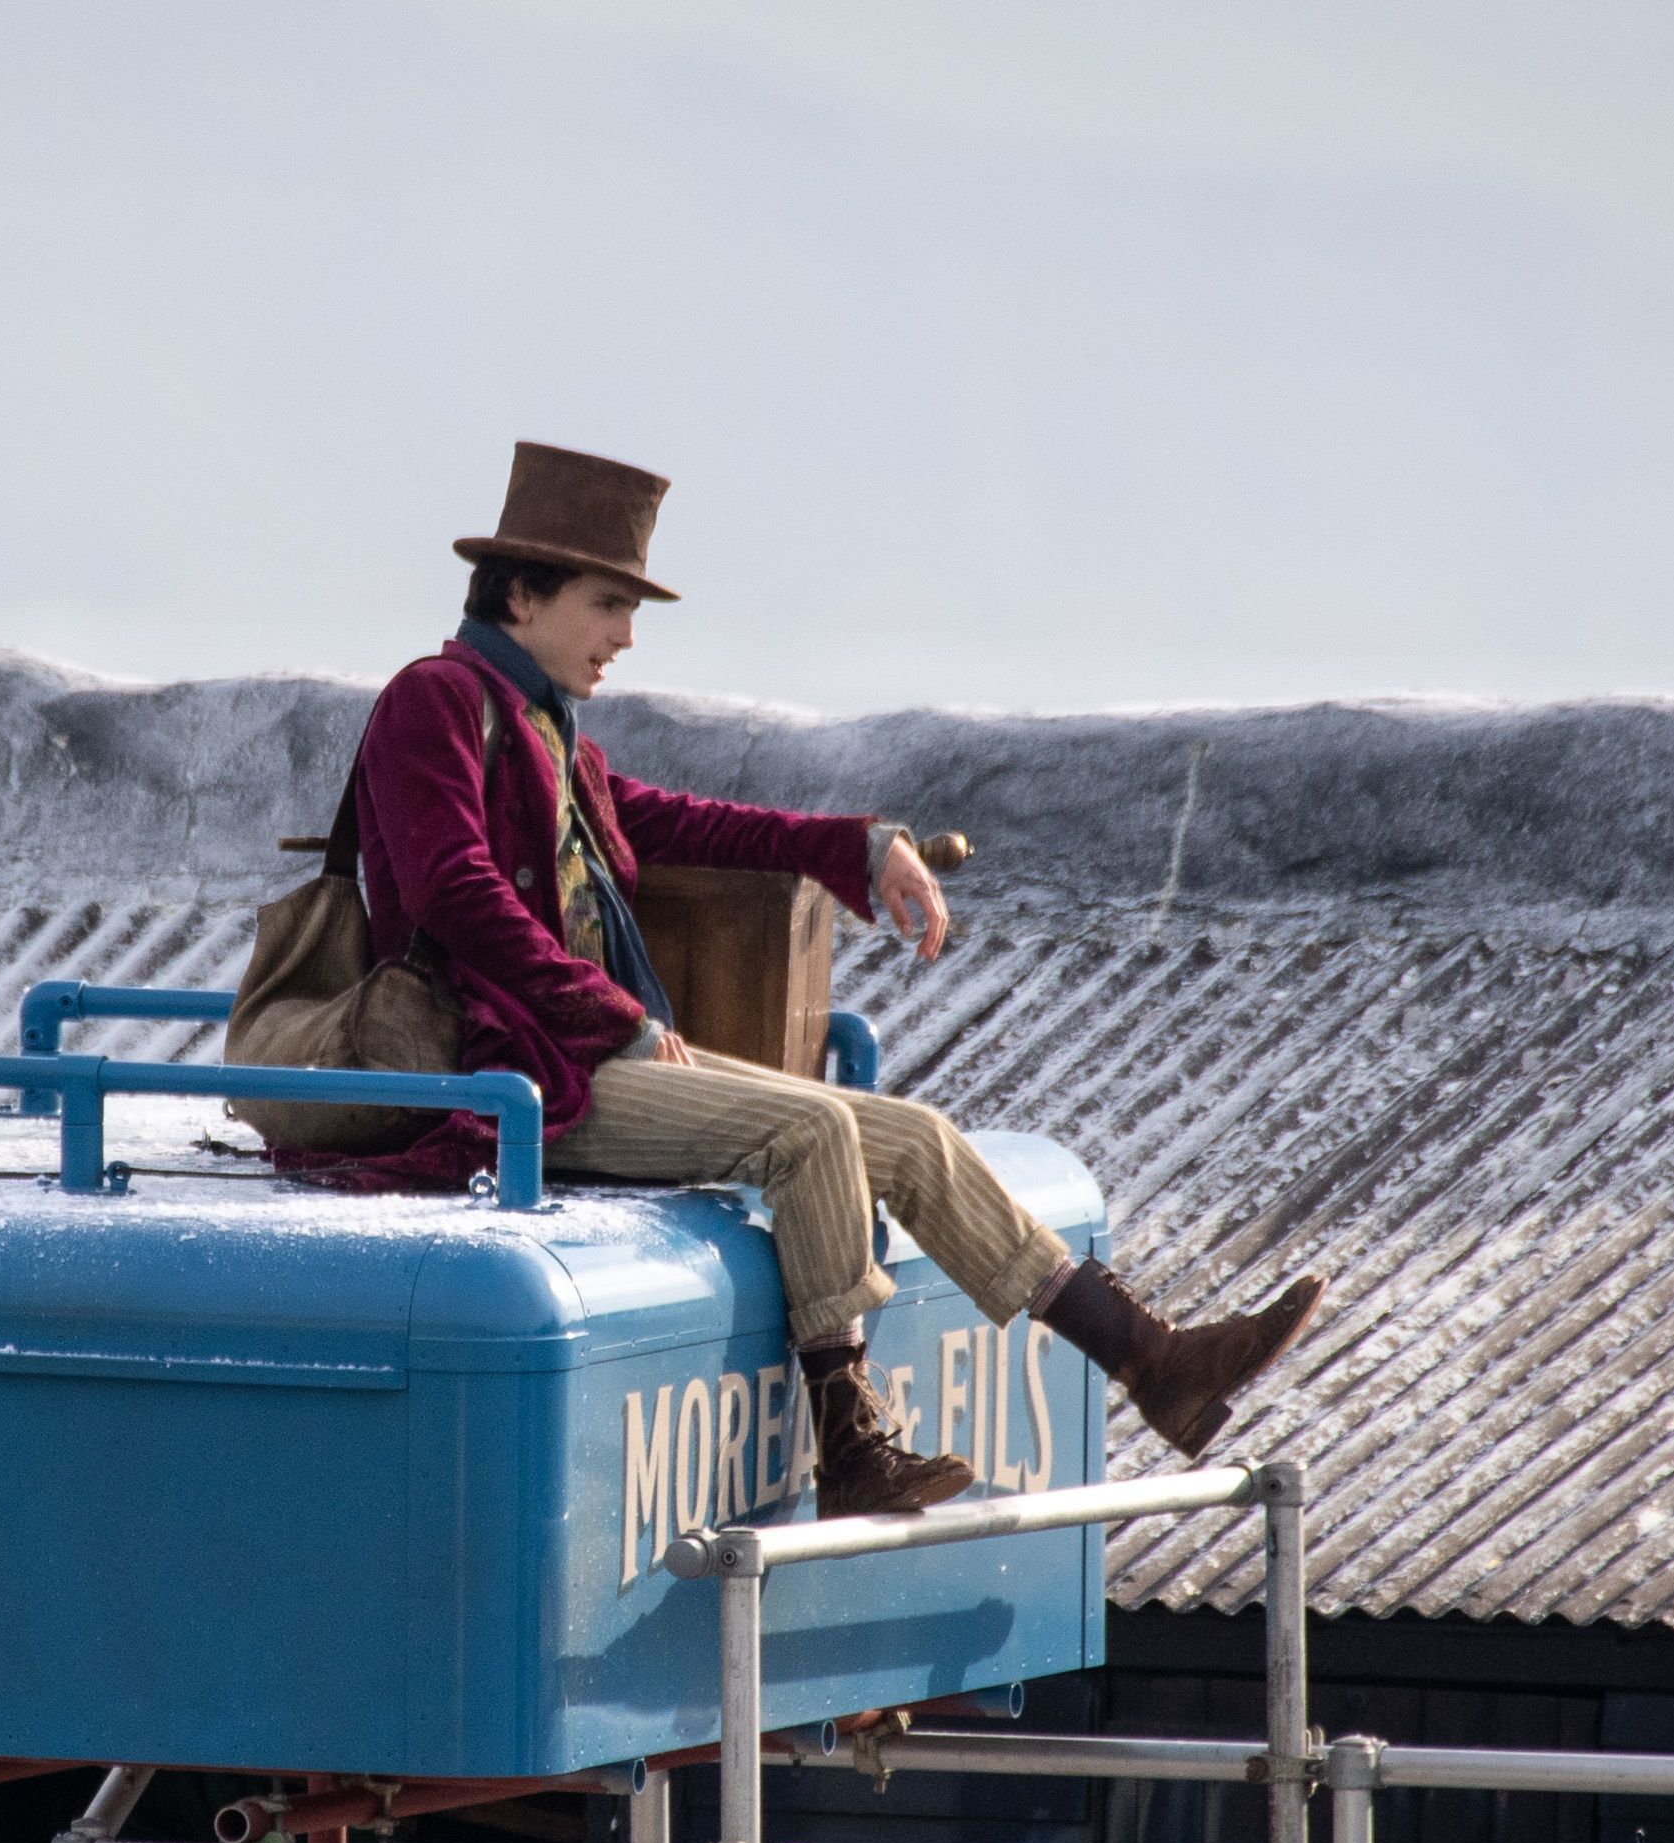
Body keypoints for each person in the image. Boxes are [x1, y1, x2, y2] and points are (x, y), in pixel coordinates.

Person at [331, 441, 1323, 1515]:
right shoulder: (433, 700)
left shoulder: (548, 729)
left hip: (577, 1051)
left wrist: (852, 846)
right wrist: (611, 1014)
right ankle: (849, 1447)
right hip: (516, 1080)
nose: (625, 635)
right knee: (811, 1134)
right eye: (608, 603)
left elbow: (677, 820)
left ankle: (1152, 1361)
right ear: (521, 593)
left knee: (913, 1134)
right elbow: (453, 893)